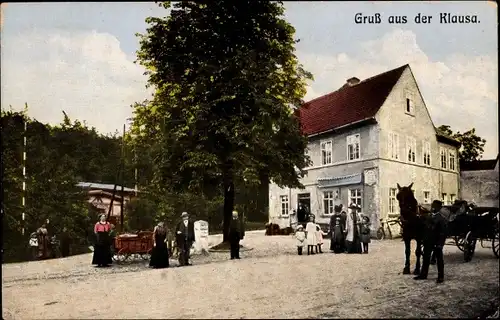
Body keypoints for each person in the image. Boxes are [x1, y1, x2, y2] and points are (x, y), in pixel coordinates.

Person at [415, 200, 447, 283]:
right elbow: (424, 228)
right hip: (428, 241)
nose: (433, 208)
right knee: (426, 258)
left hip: (436, 242)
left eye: (435, 206)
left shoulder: (441, 219)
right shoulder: (428, 217)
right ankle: (423, 274)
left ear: (439, 208)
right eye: (433, 206)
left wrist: (440, 244)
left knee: (439, 260)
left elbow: (443, 233)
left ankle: (440, 276)